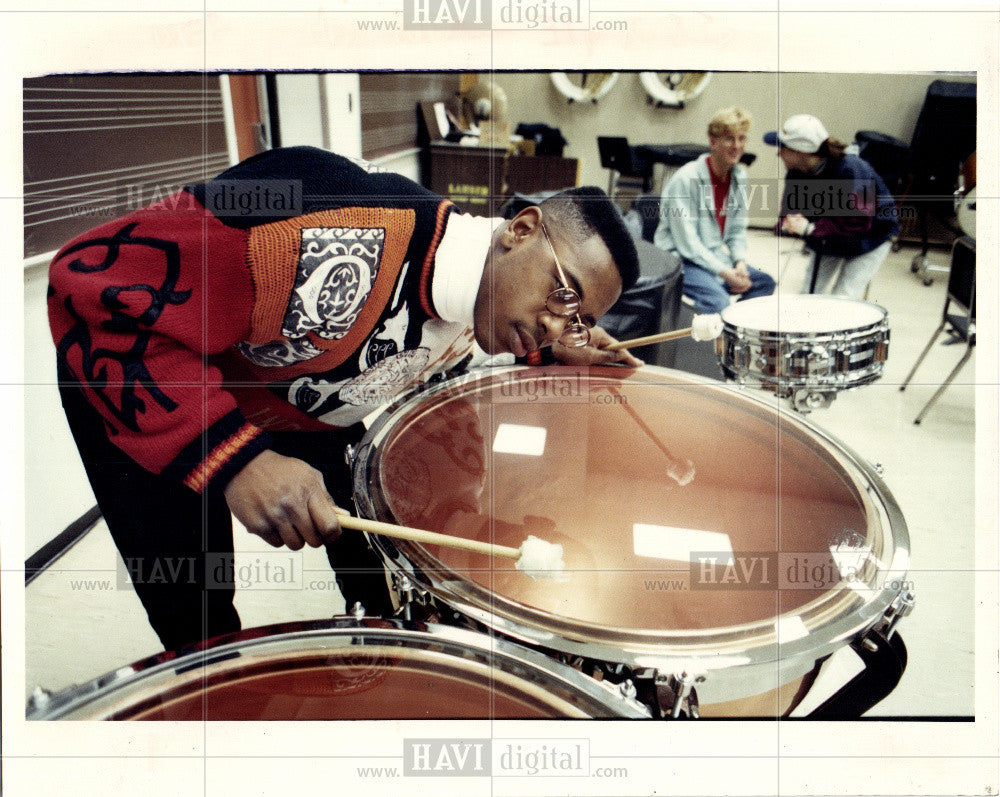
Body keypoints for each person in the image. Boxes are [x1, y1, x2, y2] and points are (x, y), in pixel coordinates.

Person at [48, 145, 641, 651]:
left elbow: (478, 337)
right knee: (195, 595)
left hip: (303, 398)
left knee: (375, 548)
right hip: (151, 381)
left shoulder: (490, 298)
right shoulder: (317, 221)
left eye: (580, 319)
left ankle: (382, 654)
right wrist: (233, 458)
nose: (560, 325)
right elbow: (91, 291)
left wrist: (562, 344)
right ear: (521, 229)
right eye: (565, 295)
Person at [653, 107, 776, 314]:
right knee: (717, 301)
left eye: (742, 138)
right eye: (729, 139)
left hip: (713, 257)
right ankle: (708, 342)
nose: (737, 146)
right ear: (713, 141)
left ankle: (734, 331)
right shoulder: (686, 179)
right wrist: (725, 273)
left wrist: (740, 263)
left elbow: (737, 230)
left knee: (764, 283)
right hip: (681, 259)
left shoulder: (739, 177)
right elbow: (688, 245)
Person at [765, 114, 900, 298]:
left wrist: (810, 228)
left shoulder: (853, 171)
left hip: (873, 236)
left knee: (842, 299)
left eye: (783, 147)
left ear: (800, 151)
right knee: (809, 294)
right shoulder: (796, 173)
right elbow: (790, 208)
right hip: (830, 235)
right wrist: (787, 221)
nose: (778, 152)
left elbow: (860, 222)